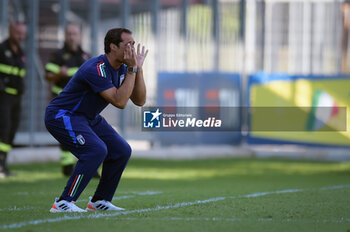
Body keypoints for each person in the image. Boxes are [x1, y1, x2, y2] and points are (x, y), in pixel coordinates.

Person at [45, 28, 148, 212]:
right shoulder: (96, 67)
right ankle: (63, 202)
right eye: (128, 45)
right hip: (63, 115)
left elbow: (139, 101)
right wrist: (132, 69)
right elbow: (120, 101)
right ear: (113, 47)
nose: (132, 49)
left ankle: (99, 201)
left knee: (121, 150)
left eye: (133, 44)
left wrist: (138, 69)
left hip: (88, 118)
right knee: (95, 150)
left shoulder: (124, 68)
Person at [45, 23, 91, 177]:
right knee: (65, 131)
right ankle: (67, 165)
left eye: (75, 34)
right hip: (61, 101)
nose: (72, 37)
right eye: (69, 34)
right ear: (65, 35)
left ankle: (89, 164)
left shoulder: (85, 56)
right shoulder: (57, 55)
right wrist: (59, 74)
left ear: (80, 36)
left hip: (81, 101)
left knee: (85, 131)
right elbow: (48, 76)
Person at [0, 22, 26, 178]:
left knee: (11, 130)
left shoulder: (20, 51)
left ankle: (3, 164)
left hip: (17, 96)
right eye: (18, 33)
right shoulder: (2, 49)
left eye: (23, 34)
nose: (21, 36)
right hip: (4, 96)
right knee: (4, 128)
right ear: (10, 32)